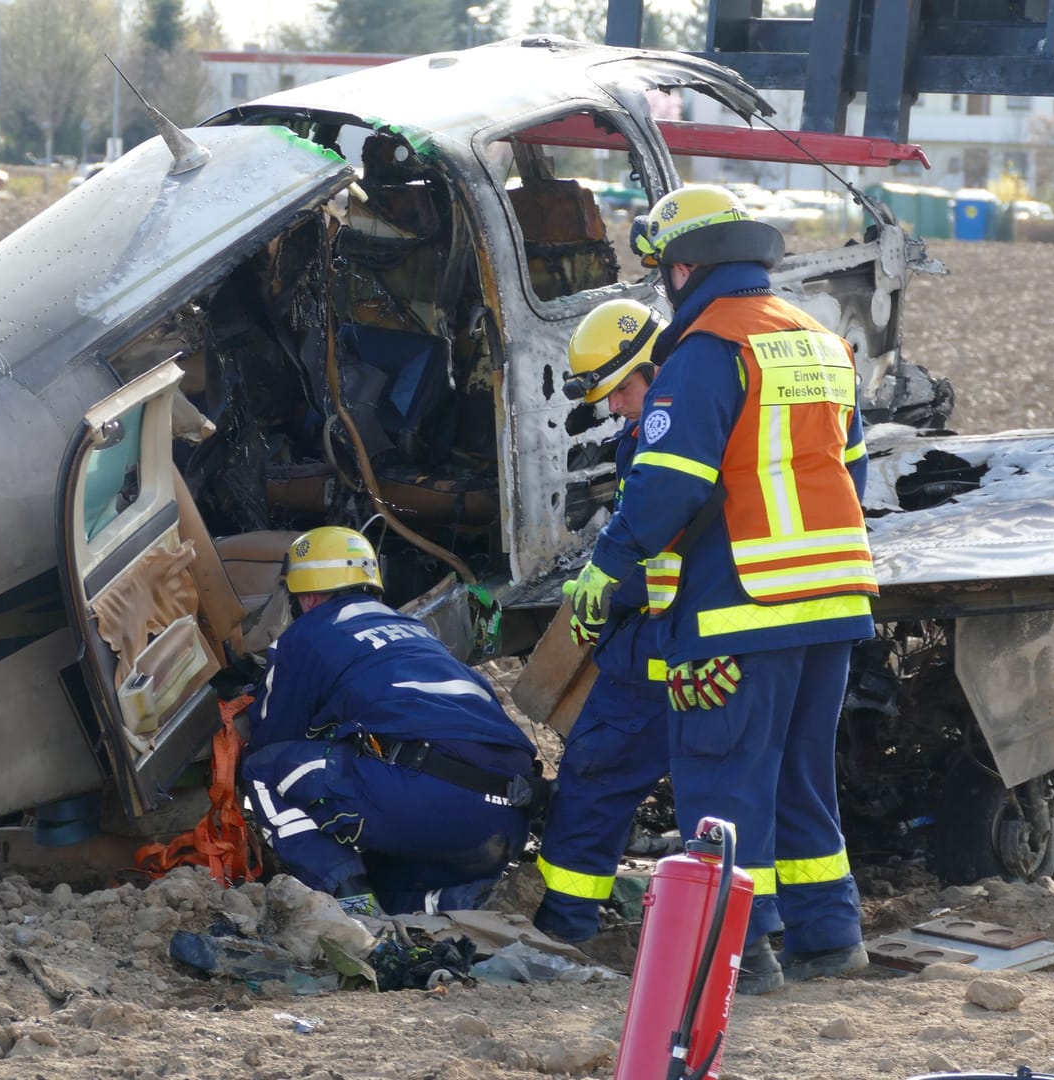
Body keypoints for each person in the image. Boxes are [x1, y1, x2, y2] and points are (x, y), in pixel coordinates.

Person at [565, 184, 876, 994]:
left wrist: (610, 564)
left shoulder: (705, 351)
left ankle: (744, 952)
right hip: (834, 600)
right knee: (802, 776)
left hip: (743, 605)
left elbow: (668, 486)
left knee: (721, 778)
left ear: (682, 268)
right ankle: (829, 936)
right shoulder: (820, 342)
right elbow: (852, 472)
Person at [240, 526, 540, 916]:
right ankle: (458, 902)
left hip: (422, 796)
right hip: (506, 815)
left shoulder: (307, 635)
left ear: (308, 596)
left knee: (263, 768)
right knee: (382, 874)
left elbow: (274, 737)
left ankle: (351, 904)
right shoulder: (418, 632)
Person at [532, 298, 676, 944]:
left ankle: (565, 927)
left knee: (597, 773)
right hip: (678, 632)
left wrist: (613, 590)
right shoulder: (658, 431)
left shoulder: (672, 438)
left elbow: (672, 545)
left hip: (659, 637)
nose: (612, 407)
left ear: (652, 366)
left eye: (619, 391)